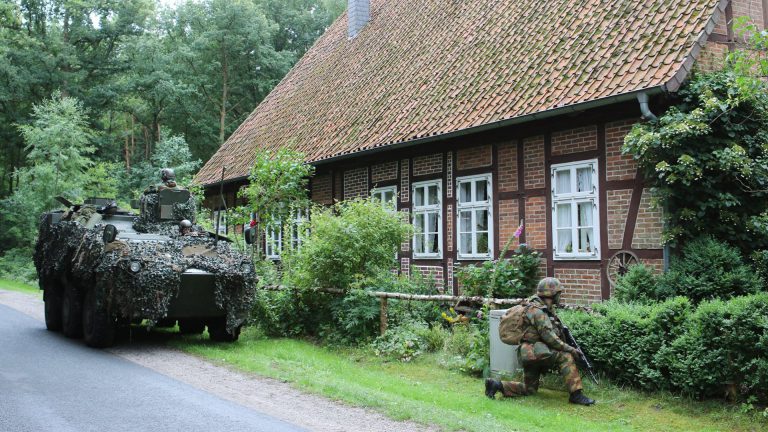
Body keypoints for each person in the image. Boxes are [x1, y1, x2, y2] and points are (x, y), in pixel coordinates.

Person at [485, 277, 596, 406]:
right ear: (551, 294)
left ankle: (496, 385)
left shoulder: (535, 307)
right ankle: (576, 395)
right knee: (565, 356)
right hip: (536, 352)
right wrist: (570, 349)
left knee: (529, 389)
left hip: (529, 353)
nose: (560, 296)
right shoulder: (538, 312)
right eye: (559, 293)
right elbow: (549, 338)